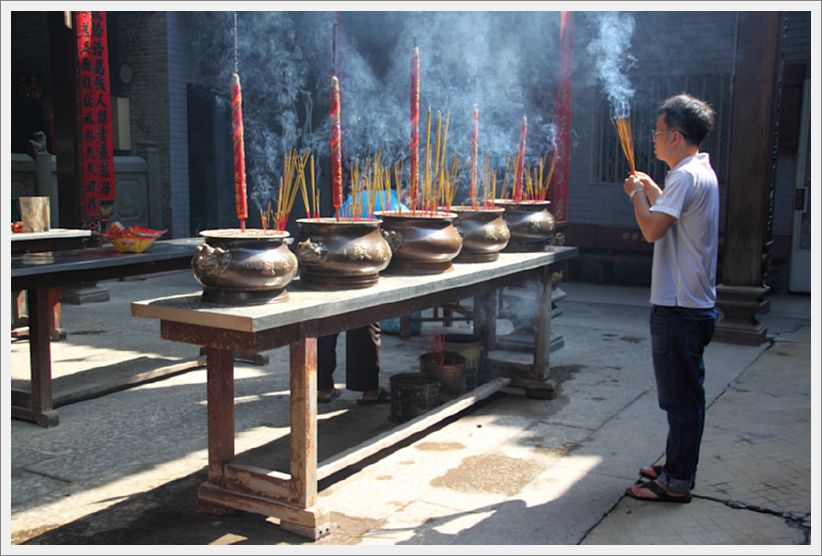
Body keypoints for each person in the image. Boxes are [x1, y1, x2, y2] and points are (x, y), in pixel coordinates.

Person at [623, 93, 719, 503]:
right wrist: (654, 188)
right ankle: (676, 465)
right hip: (694, 305)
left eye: (659, 132)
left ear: (676, 135)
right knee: (685, 394)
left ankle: (677, 481)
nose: (654, 139)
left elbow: (652, 230)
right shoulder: (698, 172)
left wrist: (636, 196)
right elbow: (675, 216)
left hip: (679, 307)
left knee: (681, 399)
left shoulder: (684, 176)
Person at [316, 187, 406, 405]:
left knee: (326, 325)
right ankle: (369, 391)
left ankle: (322, 389)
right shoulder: (398, 207)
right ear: (401, 189)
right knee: (365, 320)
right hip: (364, 266)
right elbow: (404, 237)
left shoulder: (354, 198)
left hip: (335, 258)